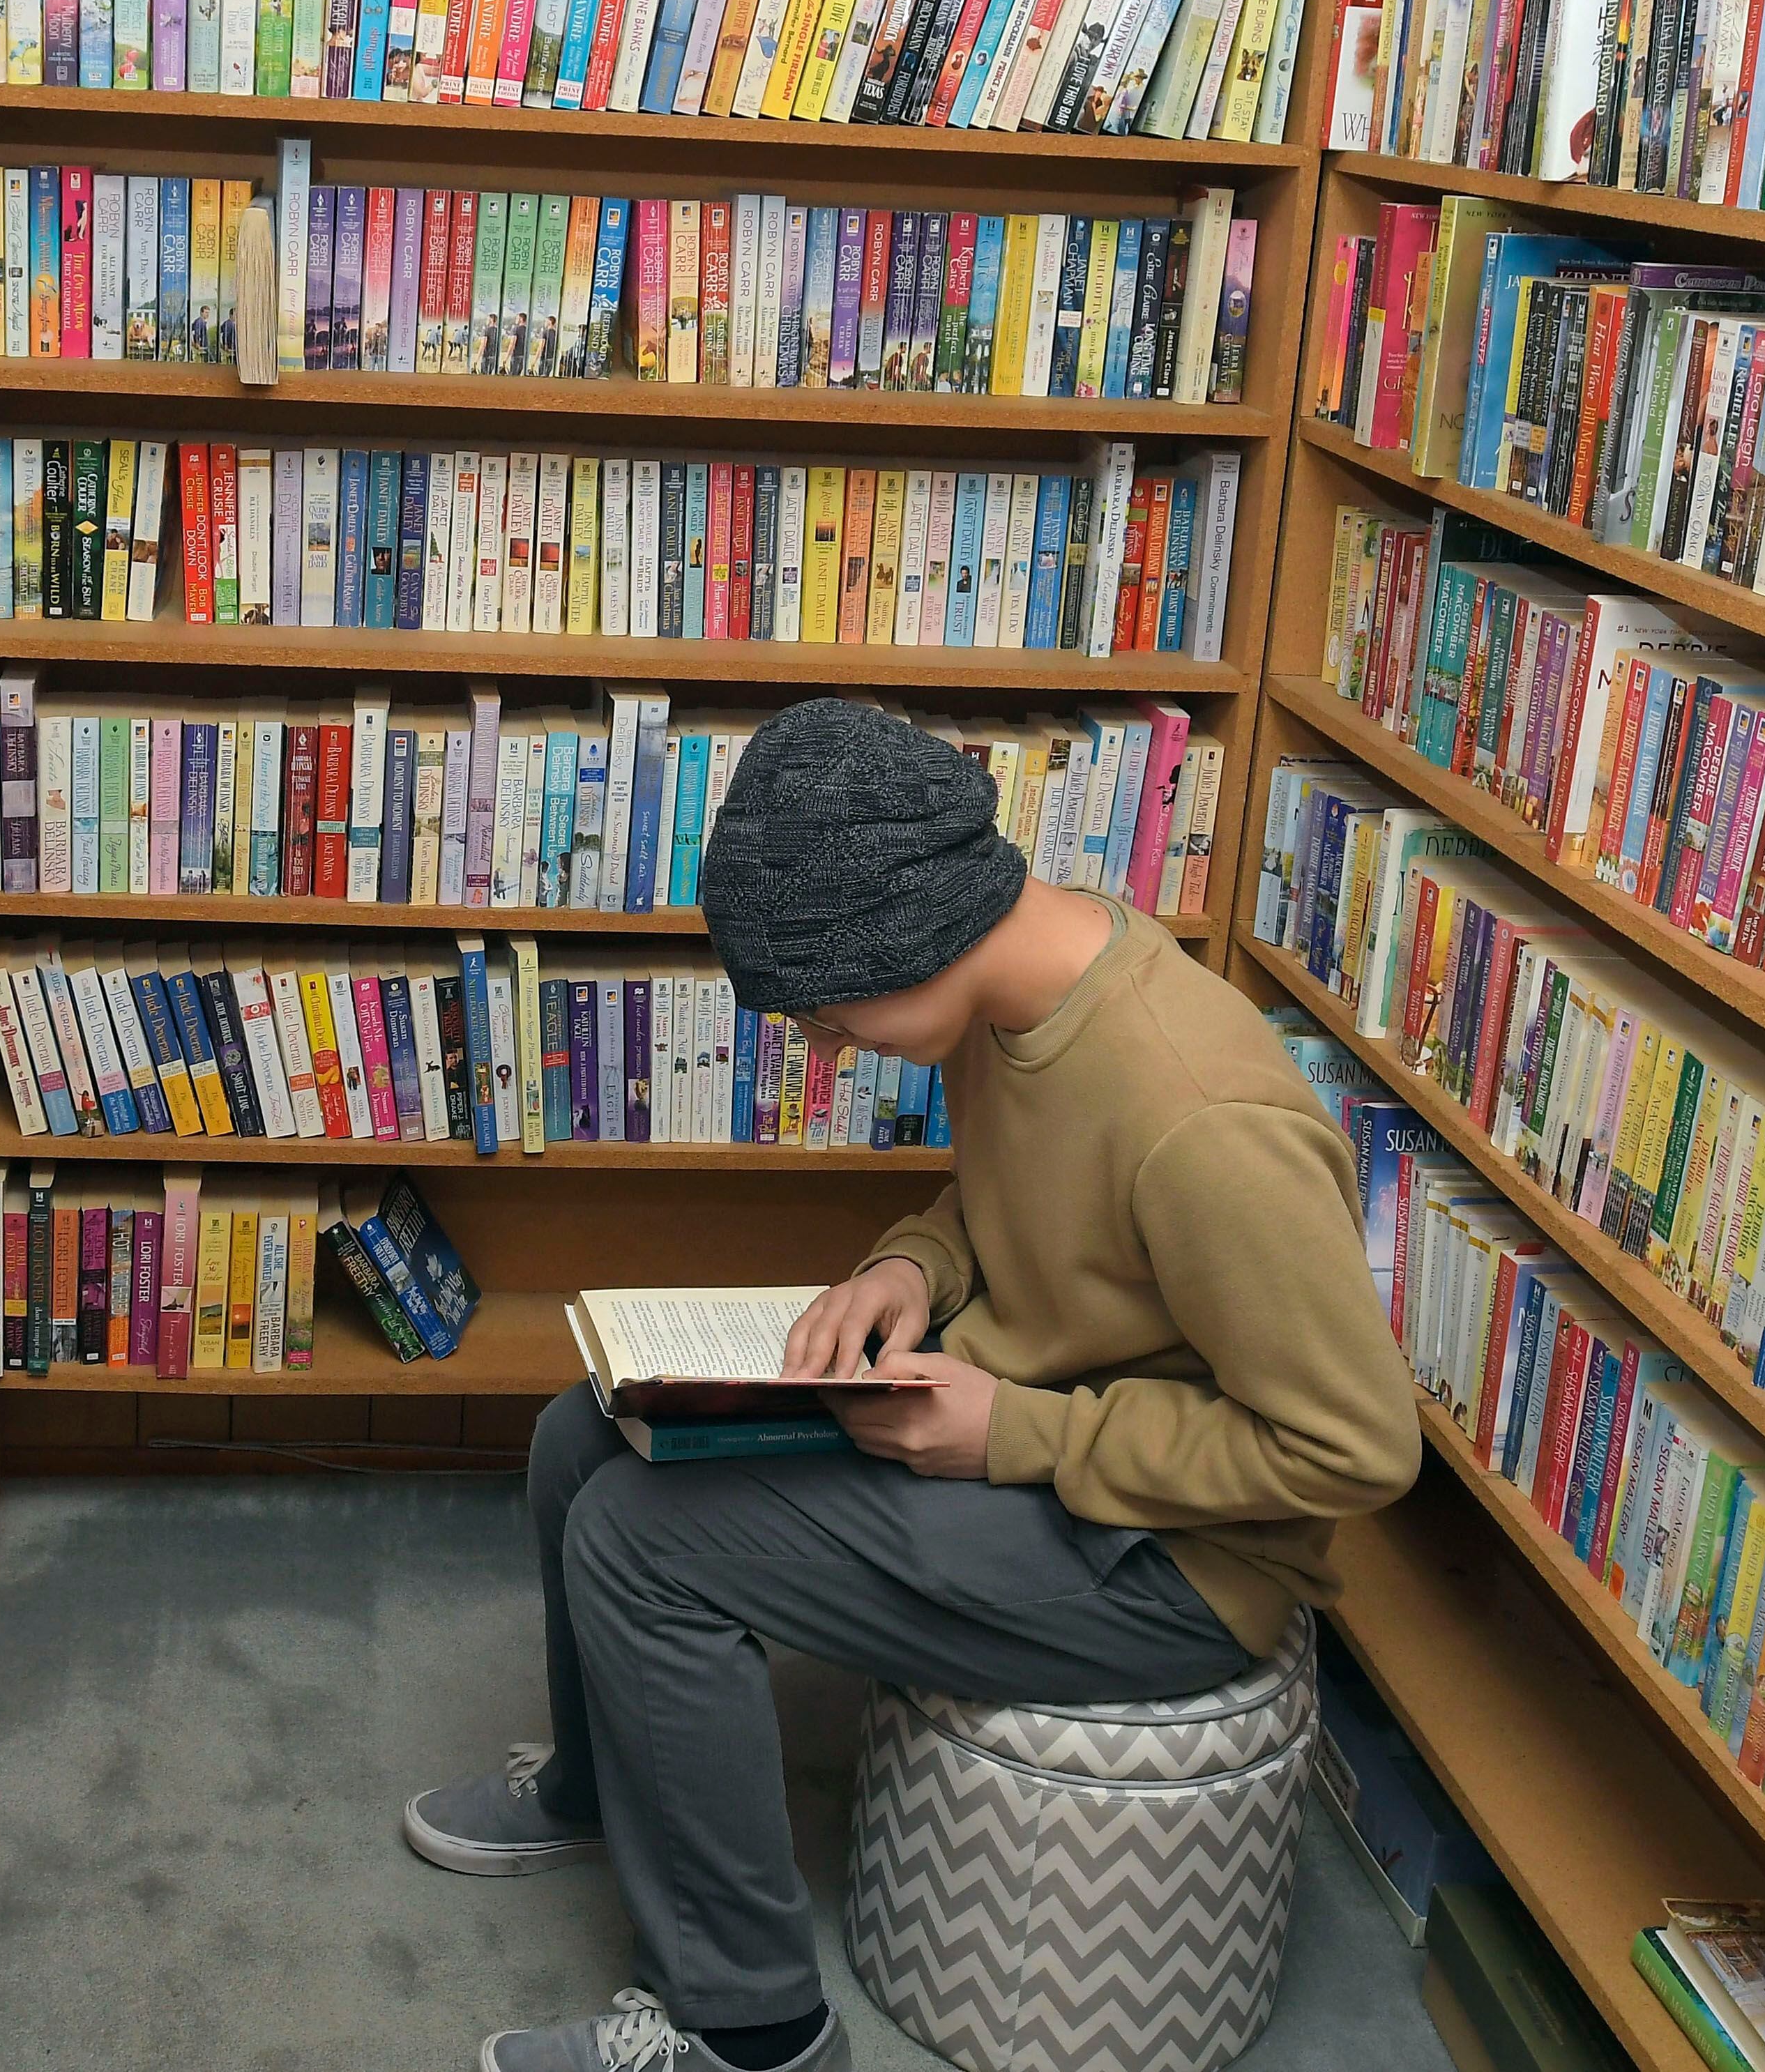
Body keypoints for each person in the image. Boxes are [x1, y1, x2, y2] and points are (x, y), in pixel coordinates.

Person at [404, 699, 1423, 2072]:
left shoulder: (1204, 1120)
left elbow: (1352, 1449)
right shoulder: (1032, 986)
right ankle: (608, 1783)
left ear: (912, 940)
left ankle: (750, 2026)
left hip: (1171, 1565)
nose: (823, 1050)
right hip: (1027, 1431)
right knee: (583, 1433)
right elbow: (1022, 1203)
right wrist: (907, 1270)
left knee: (648, 1546)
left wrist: (1016, 1430)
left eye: (826, 1013)